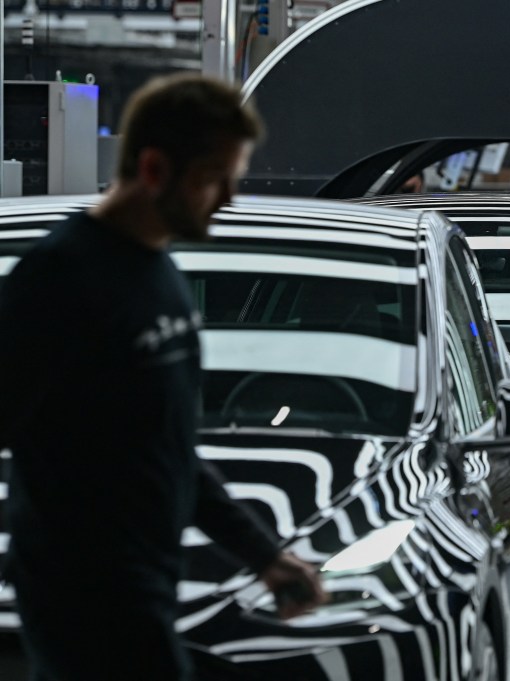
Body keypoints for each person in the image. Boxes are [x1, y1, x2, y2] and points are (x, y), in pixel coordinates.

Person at [0, 73, 326, 680]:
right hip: (82, 594)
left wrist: (264, 557)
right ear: (153, 169)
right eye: (214, 178)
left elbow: (168, 448)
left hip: (145, 583)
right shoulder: (58, 279)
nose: (228, 197)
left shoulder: (160, 276)